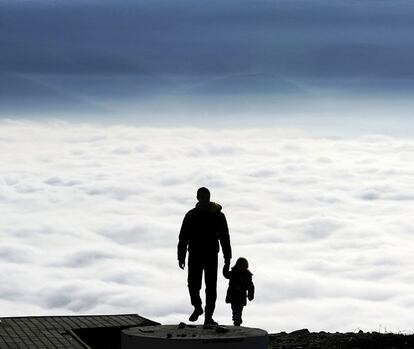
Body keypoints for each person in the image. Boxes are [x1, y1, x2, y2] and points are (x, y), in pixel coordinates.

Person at [178, 187, 232, 326]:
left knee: (211, 287)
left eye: (206, 197)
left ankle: (208, 316)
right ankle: (197, 307)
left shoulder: (218, 215)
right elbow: (183, 237)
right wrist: (181, 256)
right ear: (197, 198)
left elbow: (225, 237)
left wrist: (227, 259)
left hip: (211, 255)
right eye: (201, 197)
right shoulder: (191, 215)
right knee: (193, 284)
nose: (204, 199)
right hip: (194, 254)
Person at [223, 257, 254, 326]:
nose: (242, 267)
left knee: (239, 311)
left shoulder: (247, 275)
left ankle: (237, 322)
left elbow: (250, 286)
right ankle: (237, 321)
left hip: (241, 296)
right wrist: (226, 265)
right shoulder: (233, 273)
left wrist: (250, 295)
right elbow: (226, 274)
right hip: (233, 296)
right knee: (235, 310)